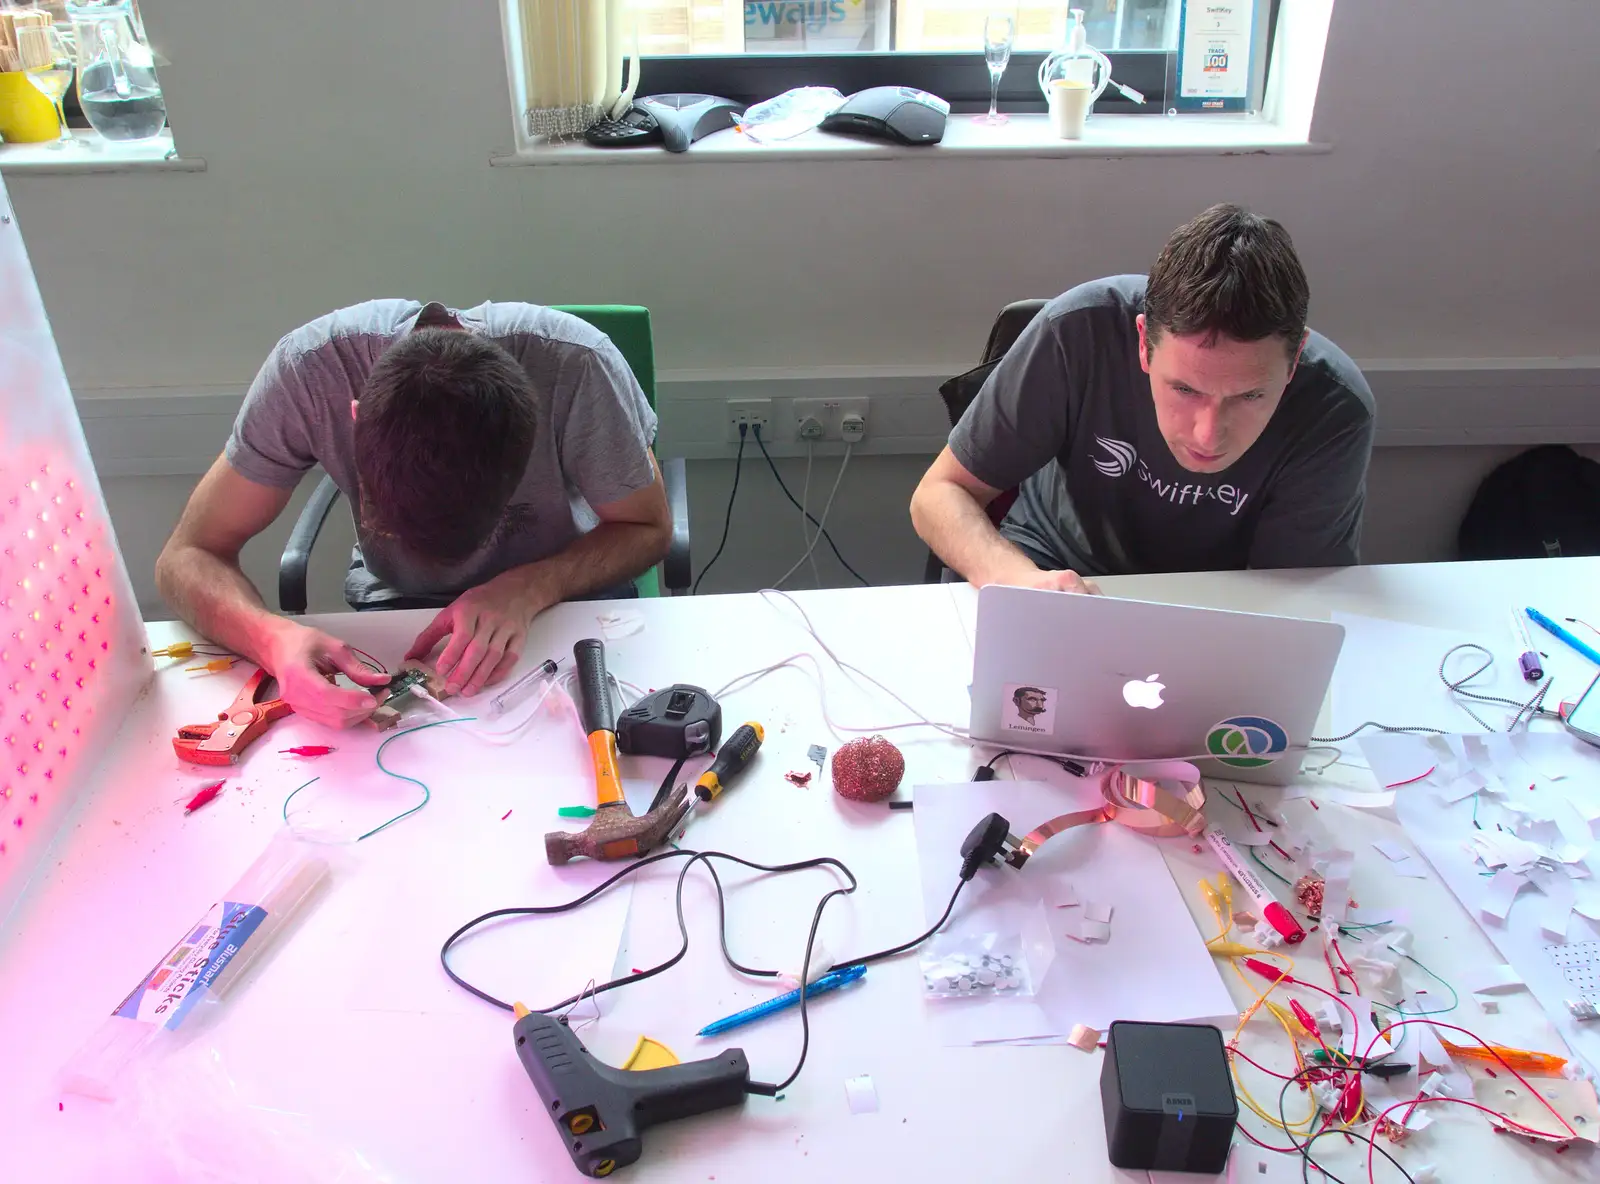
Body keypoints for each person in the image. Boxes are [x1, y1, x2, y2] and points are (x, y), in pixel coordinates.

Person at [156, 300, 671, 728]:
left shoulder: (577, 367)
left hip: (559, 605)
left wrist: (531, 587)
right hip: (400, 607)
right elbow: (188, 555)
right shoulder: (309, 374)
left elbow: (647, 526)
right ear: (356, 420)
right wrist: (273, 639)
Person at [910, 204, 1375, 594]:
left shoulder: (1335, 408)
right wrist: (1015, 579)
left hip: (1219, 600)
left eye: (1250, 395)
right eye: (1185, 389)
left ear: (1293, 365)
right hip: (1052, 567)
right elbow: (939, 494)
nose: (1208, 433)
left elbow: (1291, 595)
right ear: (1142, 345)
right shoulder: (1077, 332)